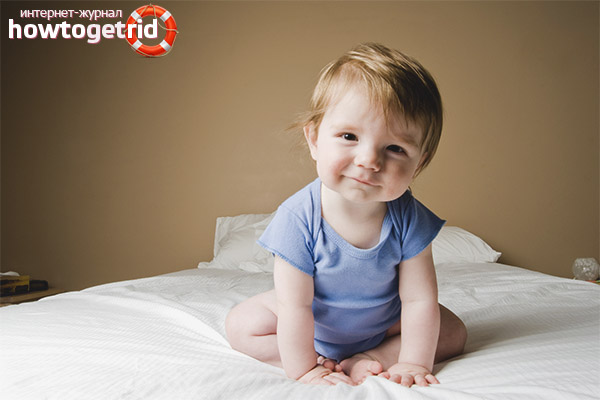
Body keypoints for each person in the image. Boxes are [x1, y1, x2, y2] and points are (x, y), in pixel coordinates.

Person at [225, 42, 467, 387]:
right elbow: (295, 307)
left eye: (395, 148)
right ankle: (319, 358)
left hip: (382, 323)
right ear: (314, 139)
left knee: (453, 331)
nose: (369, 160)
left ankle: (370, 358)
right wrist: (305, 368)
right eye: (349, 136)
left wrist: (414, 362)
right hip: (311, 325)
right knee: (241, 326)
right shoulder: (298, 217)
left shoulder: (409, 218)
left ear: (419, 163)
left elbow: (418, 299)